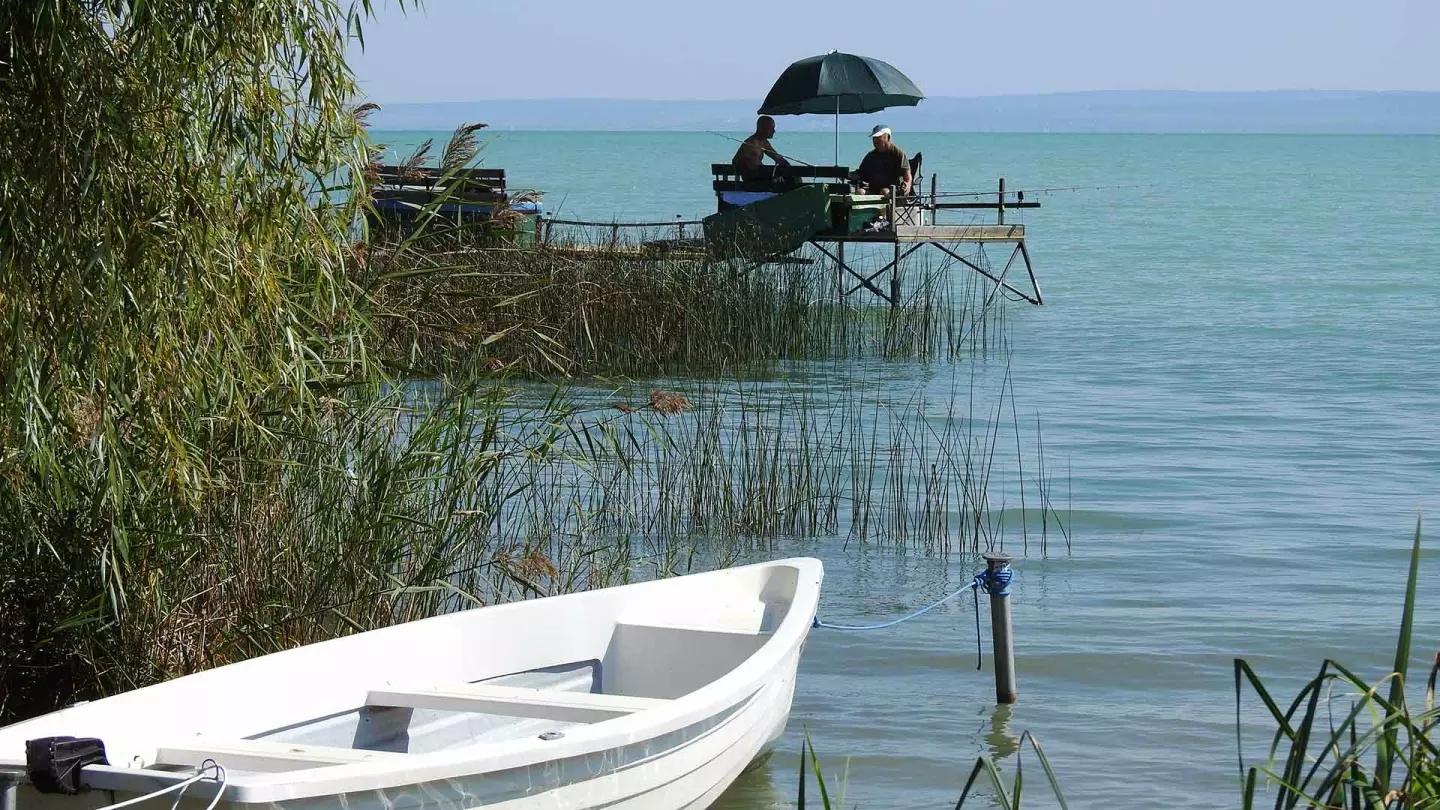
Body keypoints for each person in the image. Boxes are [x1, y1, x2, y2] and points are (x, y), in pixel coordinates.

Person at [852, 124, 911, 197]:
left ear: (888, 138)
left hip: (893, 191)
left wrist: (907, 186)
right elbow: (861, 173)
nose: (875, 140)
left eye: (879, 137)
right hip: (873, 189)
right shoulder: (870, 156)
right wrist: (847, 174)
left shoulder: (898, 154)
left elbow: (907, 176)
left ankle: (885, 208)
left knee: (884, 192)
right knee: (860, 192)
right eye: (874, 137)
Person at [732, 116, 791, 180]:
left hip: (761, 179)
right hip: (752, 182)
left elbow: (777, 157)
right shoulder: (750, 142)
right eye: (771, 128)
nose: (774, 131)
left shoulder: (765, 143)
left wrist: (786, 165)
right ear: (762, 127)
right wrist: (748, 162)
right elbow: (735, 161)